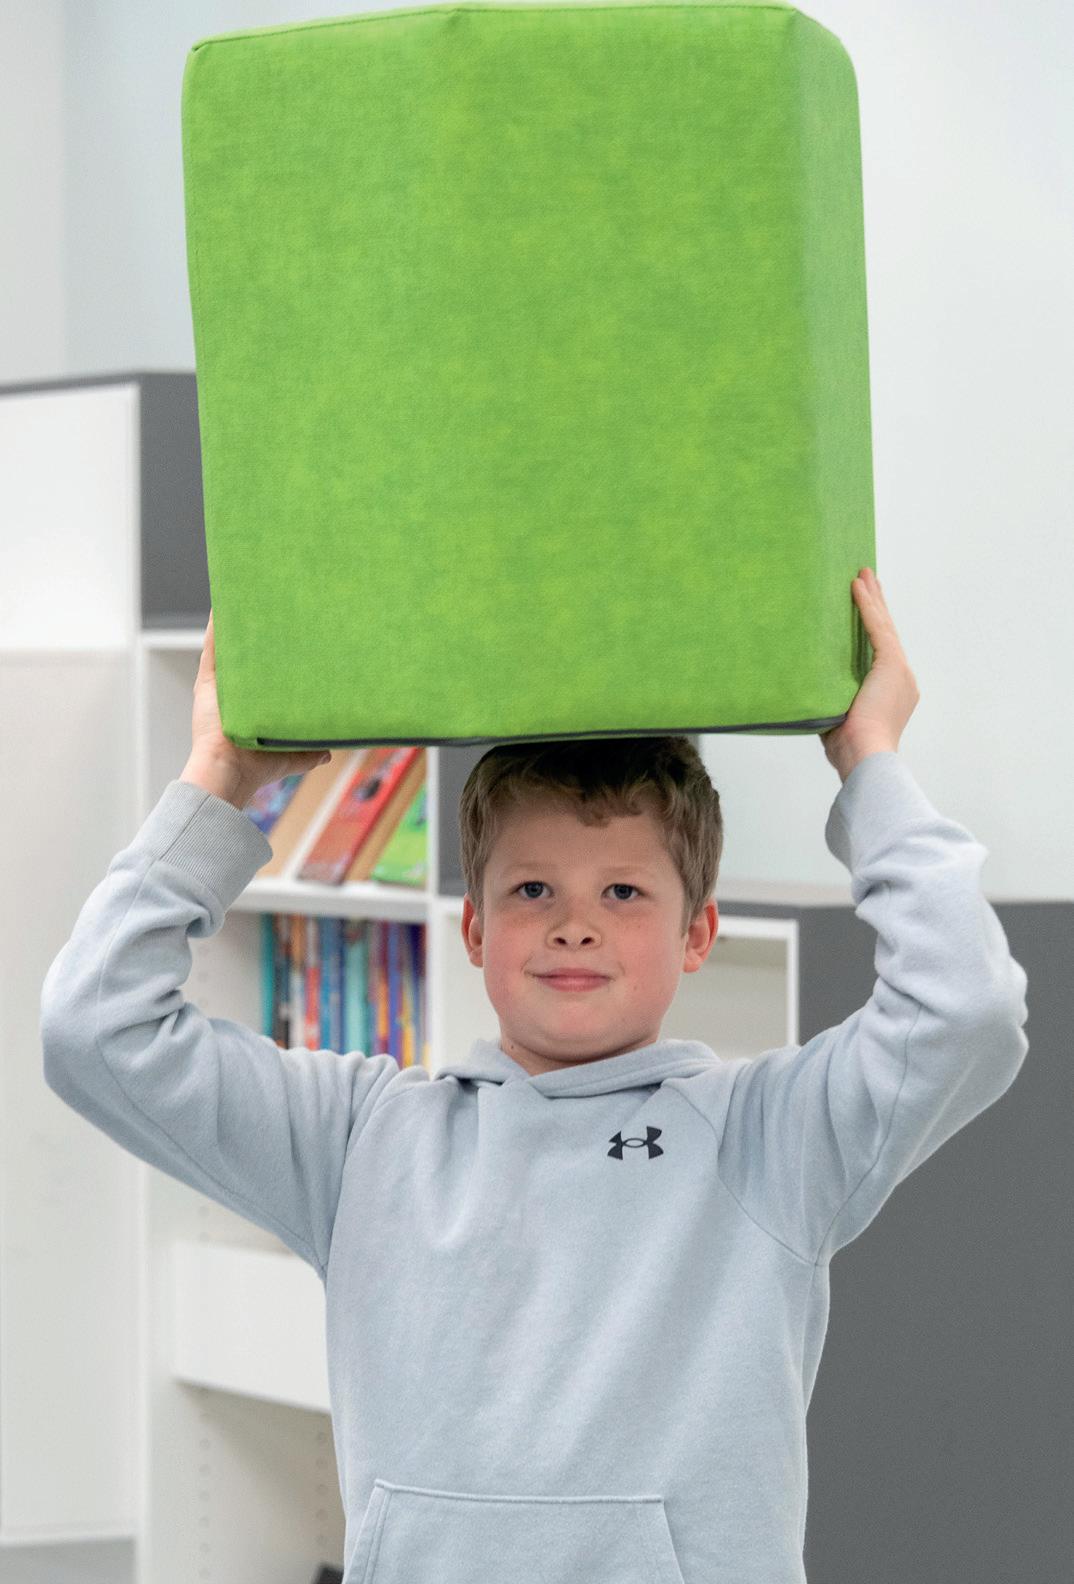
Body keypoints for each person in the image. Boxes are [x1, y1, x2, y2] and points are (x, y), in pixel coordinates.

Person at [39, 568, 1029, 1583]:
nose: (574, 924)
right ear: (475, 929)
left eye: (624, 891)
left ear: (698, 934)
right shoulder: (360, 1139)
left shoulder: (768, 1137)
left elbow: (967, 1007)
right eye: (531, 889)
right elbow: (94, 1026)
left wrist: (870, 760)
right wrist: (220, 778)